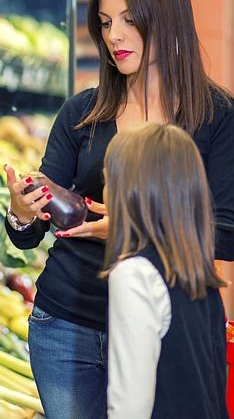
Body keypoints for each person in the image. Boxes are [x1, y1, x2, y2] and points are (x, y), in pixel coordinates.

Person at [4, 0, 234, 418]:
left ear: (167, 17)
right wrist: (22, 213)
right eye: (105, 23)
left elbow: (228, 232)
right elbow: (32, 233)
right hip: (67, 323)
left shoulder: (215, 117)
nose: (115, 36)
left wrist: (140, 230)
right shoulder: (80, 114)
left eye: (129, 20)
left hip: (169, 323)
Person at [101, 123, 227, 418]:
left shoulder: (134, 276)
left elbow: (129, 407)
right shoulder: (195, 269)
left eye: (107, 181)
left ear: (129, 191)